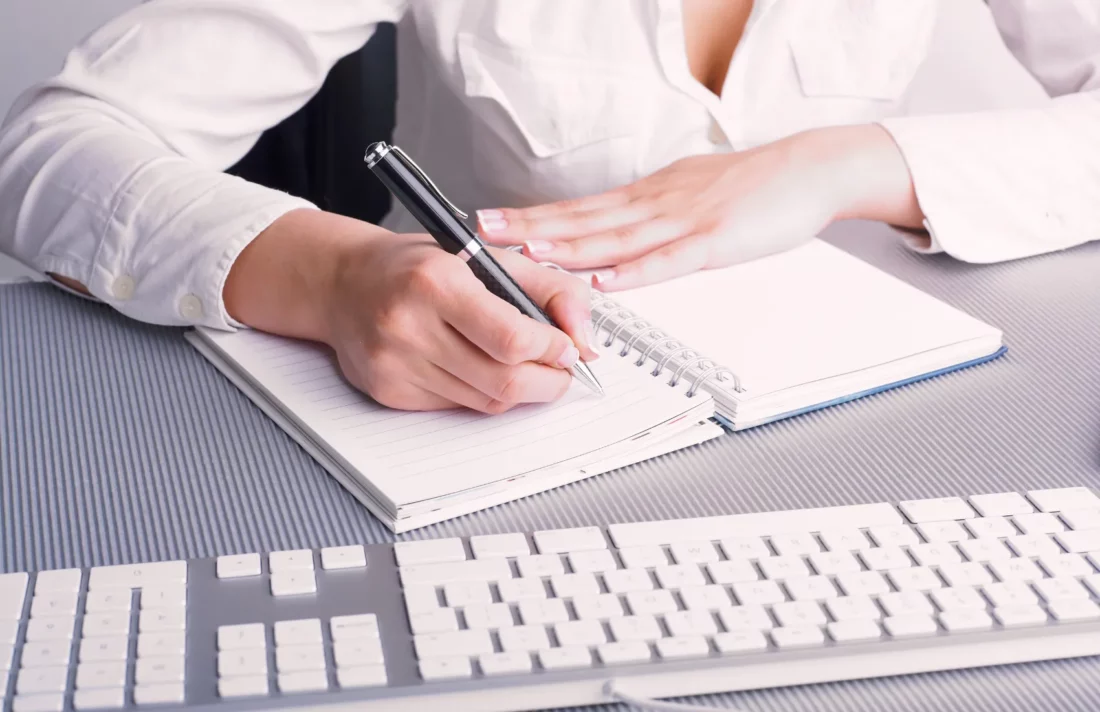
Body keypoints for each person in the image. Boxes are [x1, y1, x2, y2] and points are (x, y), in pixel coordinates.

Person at [1, 0, 1097, 414]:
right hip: (490, 418)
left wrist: (843, 163)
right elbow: (52, 146)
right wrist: (330, 273)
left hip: (856, 406)